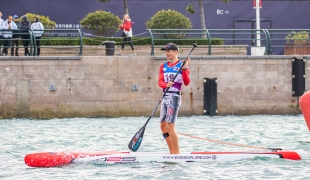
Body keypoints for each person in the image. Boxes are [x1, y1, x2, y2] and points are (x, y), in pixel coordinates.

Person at [158, 43, 190, 154]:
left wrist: (185, 69)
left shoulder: (182, 65)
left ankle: (176, 153)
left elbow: (186, 82)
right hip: (165, 96)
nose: (166, 53)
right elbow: (160, 82)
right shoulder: (163, 66)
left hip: (174, 97)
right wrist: (165, 85)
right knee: (163, 126)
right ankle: (171, 152)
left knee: (170, 126)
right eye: (165, 51)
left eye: (169, 51)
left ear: (176, 52)